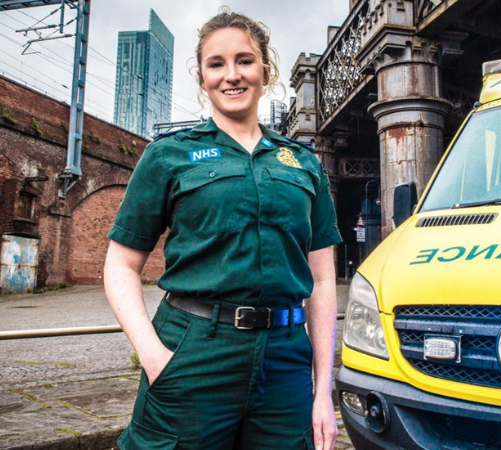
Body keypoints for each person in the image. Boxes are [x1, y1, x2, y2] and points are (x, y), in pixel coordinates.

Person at [104, 8, 342, 450]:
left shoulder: (304, 164)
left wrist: (322, 387)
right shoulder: (168, 156)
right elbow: (120, 263)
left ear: (265, 71)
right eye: (216, 64)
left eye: (244, 60)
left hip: (286, 358)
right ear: (202, 77)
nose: (231, 75)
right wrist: (155, 358)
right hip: (194, 349)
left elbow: (323, 278)